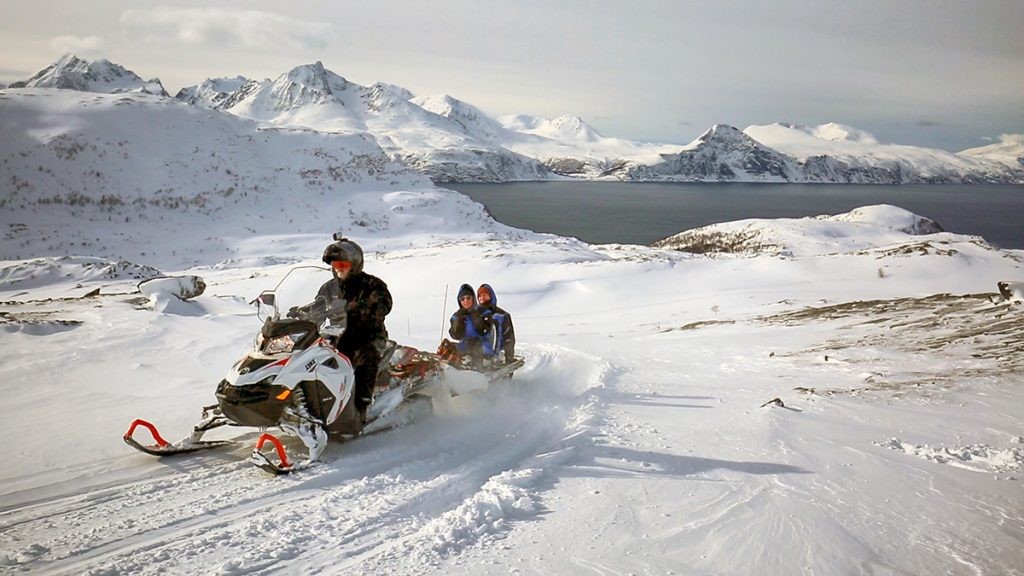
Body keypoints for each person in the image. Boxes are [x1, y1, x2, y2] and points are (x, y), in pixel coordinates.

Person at [316, 237, 392, 421]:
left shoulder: (372, 284)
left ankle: (361, 406)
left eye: (342, 263)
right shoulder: (329, 288)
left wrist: (366, 308)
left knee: (365, 356)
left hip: (368, 335)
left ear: (354, 264)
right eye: (334, 264)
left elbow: (386, 304)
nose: (338, 267)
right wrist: (303, 314)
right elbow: (317, 308)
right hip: (338, 335)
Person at [448, 283, 491, 365]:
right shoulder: (456, 316)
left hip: (481, 347)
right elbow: (455, 336)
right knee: (447, 346)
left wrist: (475, 316)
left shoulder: (483, 312)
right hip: (464, 346)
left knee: (474, 348)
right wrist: (458, 323)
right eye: (462, 299)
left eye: (468, 298)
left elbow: (486, 332)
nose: (465, 301)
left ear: (473, 298)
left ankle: (474, 371)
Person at [476, 284, 516, 364]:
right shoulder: (476, 314)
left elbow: (509, 338)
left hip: (494, 353)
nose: (482, 297)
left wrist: (509, 357)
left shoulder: (502, 315)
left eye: (484, 294)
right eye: (480, 296)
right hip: (476, 350)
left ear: (491, 296)